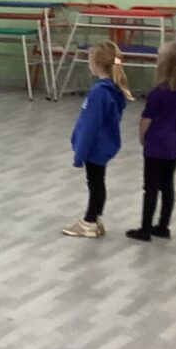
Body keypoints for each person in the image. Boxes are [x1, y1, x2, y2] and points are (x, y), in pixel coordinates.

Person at [63, 41, 132, 238]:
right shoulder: (113, 89)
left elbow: (90, 125)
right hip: (104, 144)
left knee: (95, 183)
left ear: (97, 64)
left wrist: (80, 154)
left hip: (95, 146)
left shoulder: (99, 93)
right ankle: (95, 219)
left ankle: (90, 221)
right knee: (97, 182)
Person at [126, 42, 176, 242]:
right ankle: (163, 226)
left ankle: (145, 228)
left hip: (156, 145)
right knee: (167, 186)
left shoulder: (158, 92)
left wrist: (142, 137)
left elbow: (146, 119)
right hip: (174, 144)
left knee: (150, 187)